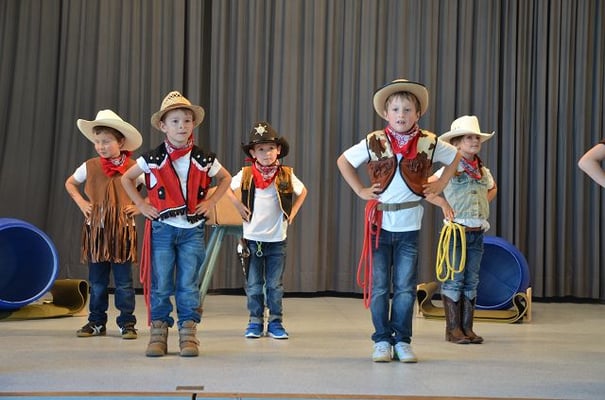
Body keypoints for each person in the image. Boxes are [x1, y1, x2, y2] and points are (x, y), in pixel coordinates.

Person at [336, 78, 461, 363]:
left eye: (407, 110)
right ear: (385, 113)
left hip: (409, 228)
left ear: (418, 114)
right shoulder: (374, 141)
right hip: (379, 226)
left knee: (405, 287)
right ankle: (382, 340)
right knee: (380, 287)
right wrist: (361, 190)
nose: (401, 115)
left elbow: (454, 156)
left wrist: (441, 183)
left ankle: (402, 340)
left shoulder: (429, 142)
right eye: (395, 109)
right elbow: (344, 161)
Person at [121, 91, 232, 357]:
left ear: (193, 124)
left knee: (188, 284)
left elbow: (226, 178)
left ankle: (188, 333)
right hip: (163, 229)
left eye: (186, 121)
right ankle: (158, 334)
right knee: (161, 283)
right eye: (175, 121)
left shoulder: (203, 158)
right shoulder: (152, 158)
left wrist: (211, 202)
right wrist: (141, 205)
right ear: (163, 126)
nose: (181, 126)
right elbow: (126, 178)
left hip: (192, 230)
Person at [65, 109, 143, 340]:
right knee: (97, 282)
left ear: (121, 142)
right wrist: (82, 202)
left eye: (106, 141)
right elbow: (70, 183)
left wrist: (140, 206)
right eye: (97, 142)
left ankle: (127, 322)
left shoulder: (134, 167)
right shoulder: (89, 166)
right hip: (97, 233)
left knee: (124, 282)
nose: (101, 146)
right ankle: (96, 322)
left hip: (122, 232)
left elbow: (158, 188)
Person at [226, 121, 307, 340]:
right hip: (252, 239)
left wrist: (293, 213)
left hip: (277, 239)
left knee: (274, 285)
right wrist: (238, 206)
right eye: (260, 149)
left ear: (278, 150)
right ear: (253, 153)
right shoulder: (246, 174)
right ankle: (255, 321)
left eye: (271, 148)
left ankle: (275, 322)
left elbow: (303, 191)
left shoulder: (285, 174)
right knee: (254, 285)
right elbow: (226, 188)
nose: (266, 153)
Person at [426, 115, 497, 345]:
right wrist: (444, 204)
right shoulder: (449, 170)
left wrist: (482, 205)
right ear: (456, 144)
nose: (475, 141)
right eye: (469, 137)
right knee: (455, 279)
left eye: (477, 137)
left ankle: (467, 327)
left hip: (476, 233)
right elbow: (426, 188)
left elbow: (493, 188)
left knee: (471, 280)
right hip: (456, 233)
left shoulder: (483, 171)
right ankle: (453, 329)